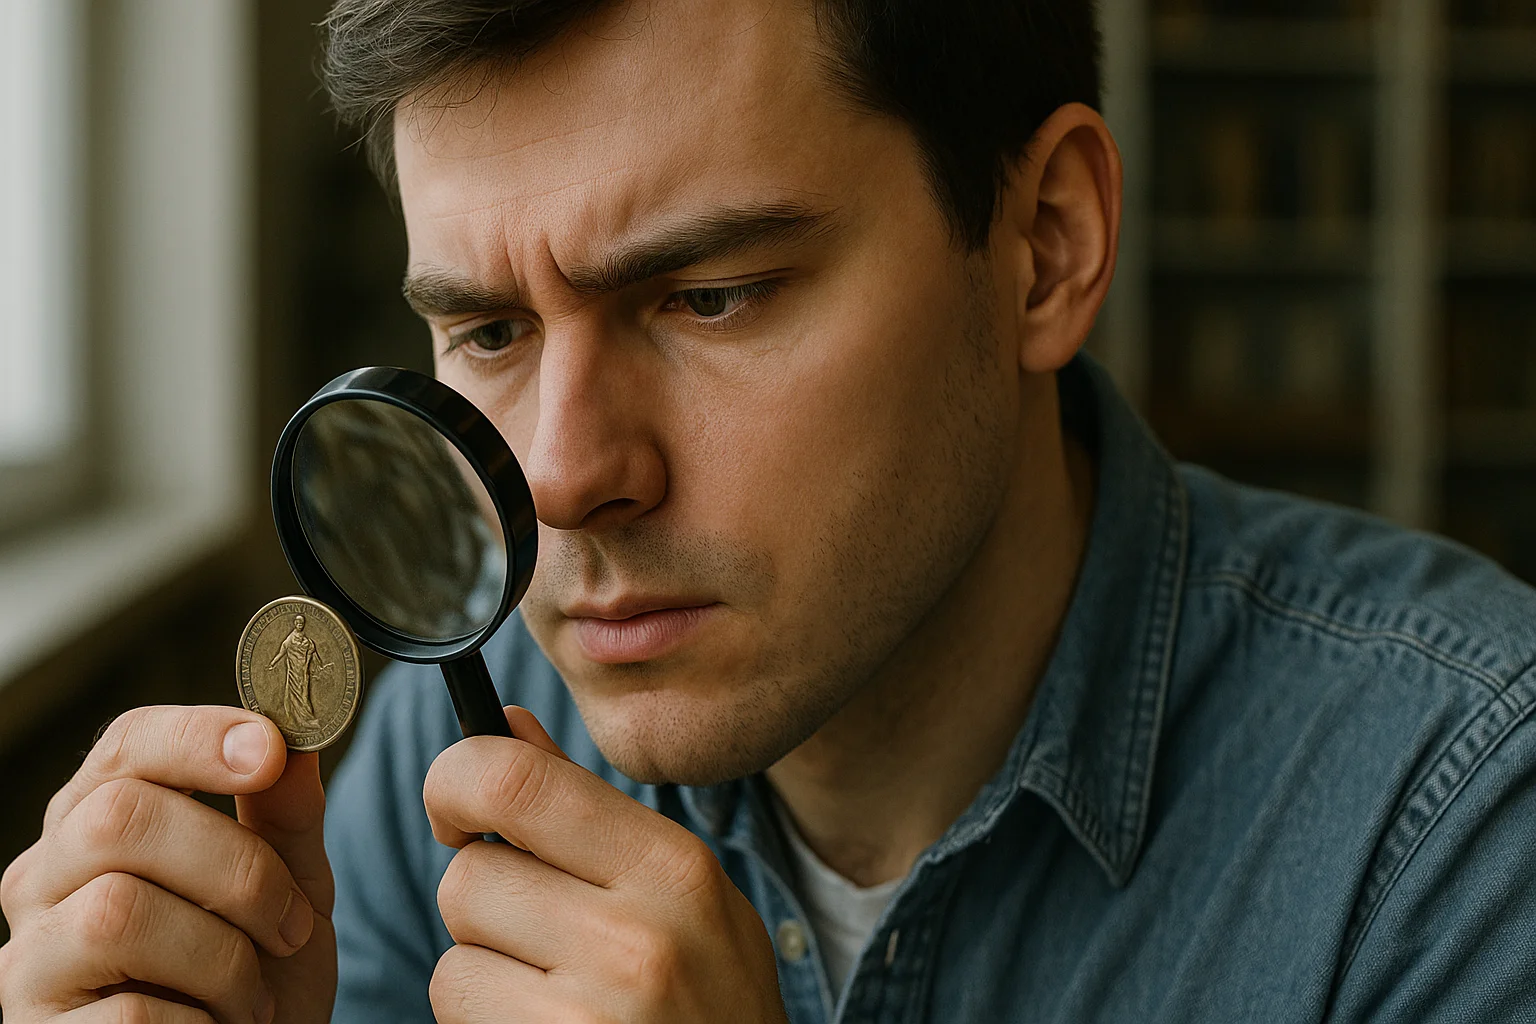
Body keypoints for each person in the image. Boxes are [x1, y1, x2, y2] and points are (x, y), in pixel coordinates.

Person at [4, 1, 1536, 1021]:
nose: (554, 477)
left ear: (1046, 248)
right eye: (485, 331)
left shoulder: (1465, 831)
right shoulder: (461, 736)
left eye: (712, 295)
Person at [269, 615, 322, 731]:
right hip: (293, 673)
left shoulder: (307, 641)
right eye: (298, 622)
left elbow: (314, 654)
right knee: (292, 697)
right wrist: (272, 663)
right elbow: (280, 653)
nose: (300, 624)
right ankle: (294, 722)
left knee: (304, 696)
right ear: (294, 623)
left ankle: (306, 719)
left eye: (301, 622)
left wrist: (320, 666)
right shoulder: (289, 640)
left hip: (303, 674)